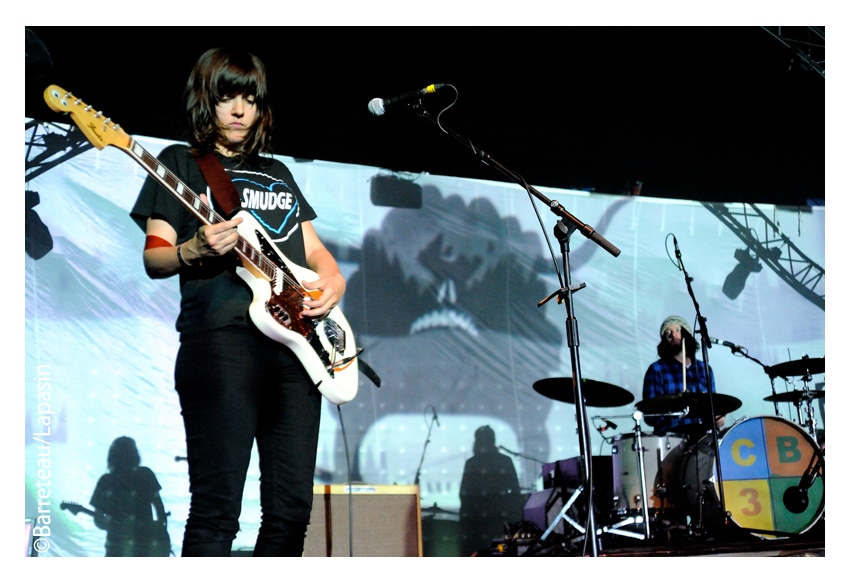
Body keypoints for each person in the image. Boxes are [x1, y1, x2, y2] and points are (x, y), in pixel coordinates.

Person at [130, 48, 346, 557]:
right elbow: (155, 258)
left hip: (297, 352)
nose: (239, 108)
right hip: (223, 342)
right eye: (227, 95)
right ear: (207, 100)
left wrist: (334, 279)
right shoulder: (180, 164)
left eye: (249, 97)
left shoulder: (278, 173)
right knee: (216, 510)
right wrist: (195, 247)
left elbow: (313, 251)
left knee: (291, 514)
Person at [642, 315, 724, 436]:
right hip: (671, 439)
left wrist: (718, 416)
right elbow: (649, 415)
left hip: (702, 438)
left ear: (687, 334)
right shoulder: (657, 370)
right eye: (668, 333)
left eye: (677, 330)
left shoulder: (704, 369)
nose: (673, 335)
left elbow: (714, 404)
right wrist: (674, 408)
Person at [90, 437, 170, 557]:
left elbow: (98, 520)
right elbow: (160, 510)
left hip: (116, 546)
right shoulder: (146, 474)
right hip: (144, 545)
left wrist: (114, 527)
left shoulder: (106, 481)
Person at [458, 426, 524, 556]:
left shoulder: (472, 463)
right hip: (497, 522)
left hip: (479, 525)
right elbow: (516, 493)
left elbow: (464, 494)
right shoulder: (505, 461)